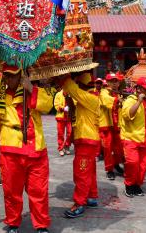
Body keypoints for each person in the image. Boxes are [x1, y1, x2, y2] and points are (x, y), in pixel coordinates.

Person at [0, 63, 53, 233]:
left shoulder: (33, 91)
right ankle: (13, 223)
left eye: (13, 75)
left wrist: (31, 89)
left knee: (39, 191)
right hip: (10, 150)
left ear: (21, 76)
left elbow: (47, 105)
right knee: (11, 191)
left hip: (36, 150)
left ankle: (41, 225)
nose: (10, 78)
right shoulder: (0, 97)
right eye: (7, 75)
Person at [58, 72, 104, 218]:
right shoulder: (89, 99)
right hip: (87, 140)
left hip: (86, 140)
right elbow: (74, 114)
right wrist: (68, 99)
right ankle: (91, 196)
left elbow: (73, 89)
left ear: (82, 85)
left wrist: (64, 77)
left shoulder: (90, 98)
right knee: (89, 171)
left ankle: (79, 203)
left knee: (81, 173)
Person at [102, 72, 125, 179]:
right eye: (112, 82)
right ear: (107, 82)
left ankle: (116, 165)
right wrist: (117, 100)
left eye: (116, 82)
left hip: (117, 125)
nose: (115, 84)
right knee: (108, 148)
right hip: (107, 125)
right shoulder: (104, 92)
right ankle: (109, 169)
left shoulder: (118, 93)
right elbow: (107, 102)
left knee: (118, 148)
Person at [53, 88, 73, 156]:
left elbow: (74, 103)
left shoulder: (71, 94)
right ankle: (61, 149)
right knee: (60, 134)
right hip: (61, 117)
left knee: (70, 133)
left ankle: (66, 146)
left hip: (68, 117)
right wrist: (63, 108)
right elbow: (56, 105)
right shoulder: (58, 94)